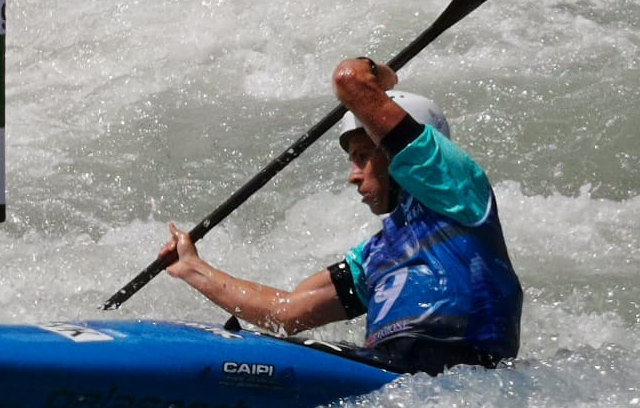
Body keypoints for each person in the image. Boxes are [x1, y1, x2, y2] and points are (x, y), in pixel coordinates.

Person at [158, 60, 522, 376]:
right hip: (392, 376)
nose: (353, 174)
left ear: (402, 154)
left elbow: (350, 79)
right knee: (262, 344)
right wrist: (193, 268)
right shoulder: (377, 254)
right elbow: (286, 312)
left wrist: (383, 77)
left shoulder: (456, 190)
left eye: (364, 156)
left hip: (461, 375)